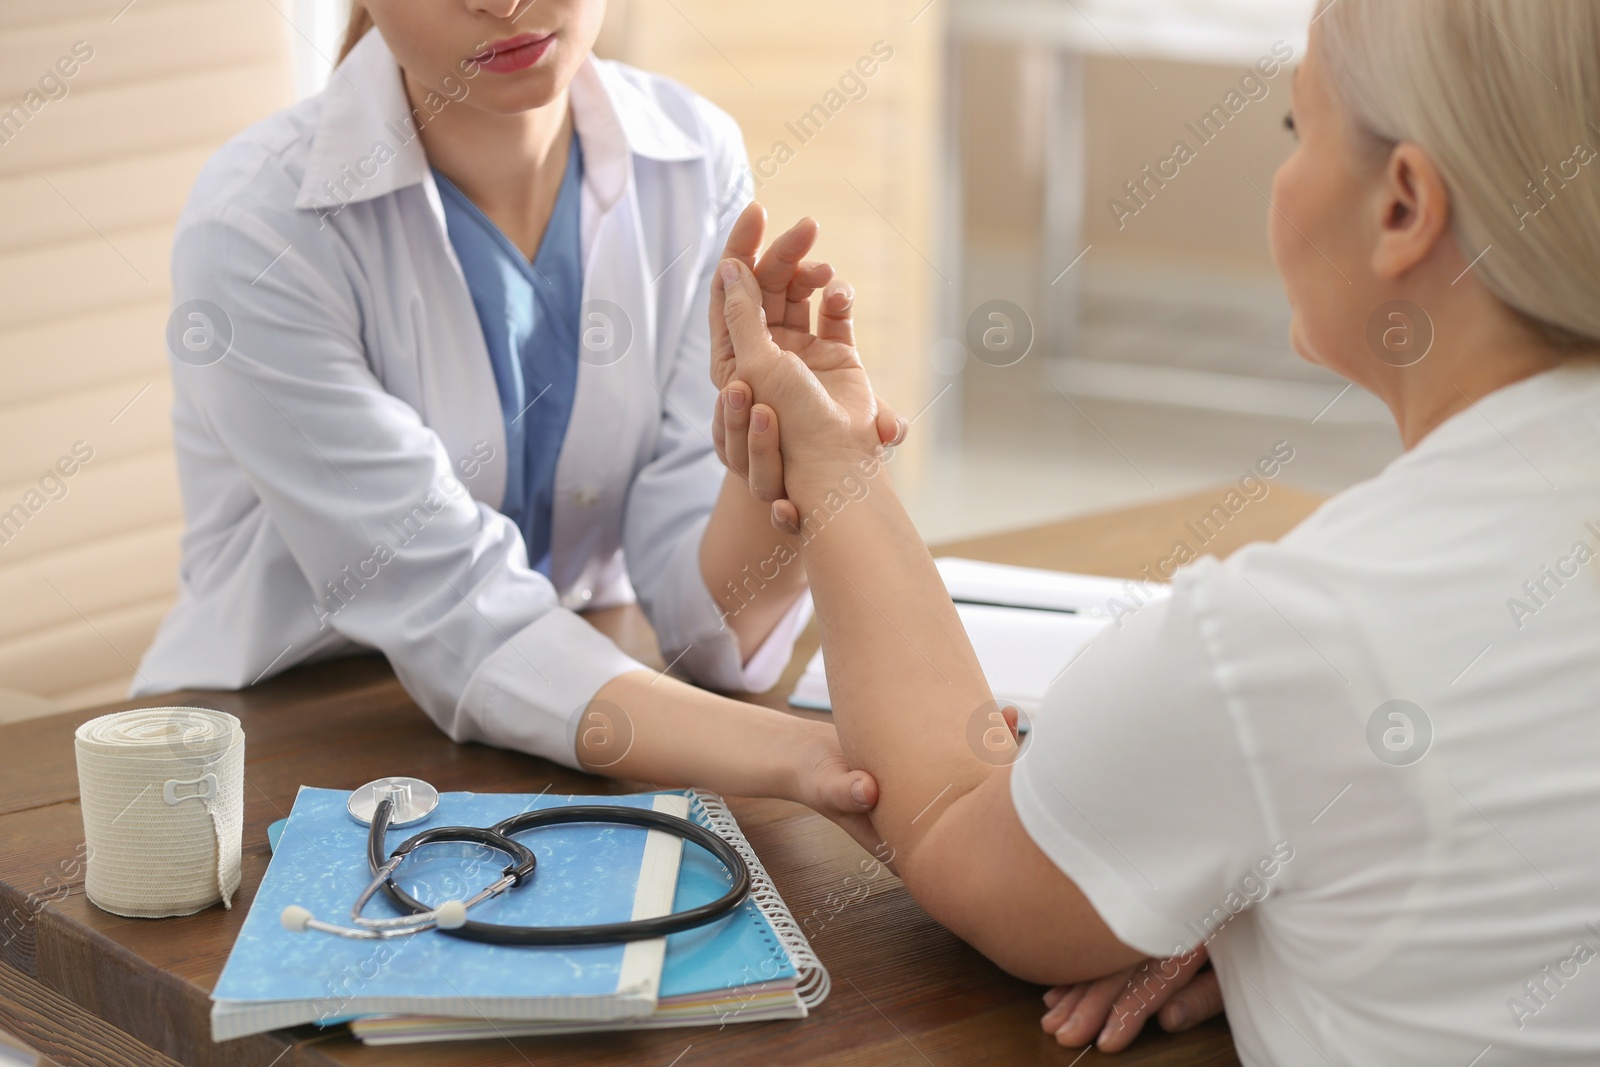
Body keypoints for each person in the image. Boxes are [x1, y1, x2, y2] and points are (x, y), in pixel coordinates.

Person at [711, 0, 1600, 1061]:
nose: (1281, 172)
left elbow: (958, 827)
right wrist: (1281, 896)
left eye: (1293, 130)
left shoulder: (1290, 632)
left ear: (1403, 204)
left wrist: (831, 462)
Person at [133, 0, 905, 842]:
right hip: (267, 759)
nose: (502, 2)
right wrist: (811, 758)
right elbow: (459, 612)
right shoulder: (255, 227)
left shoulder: (691, 156)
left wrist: (794, 465)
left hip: (578, 719)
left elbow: (706, 631)